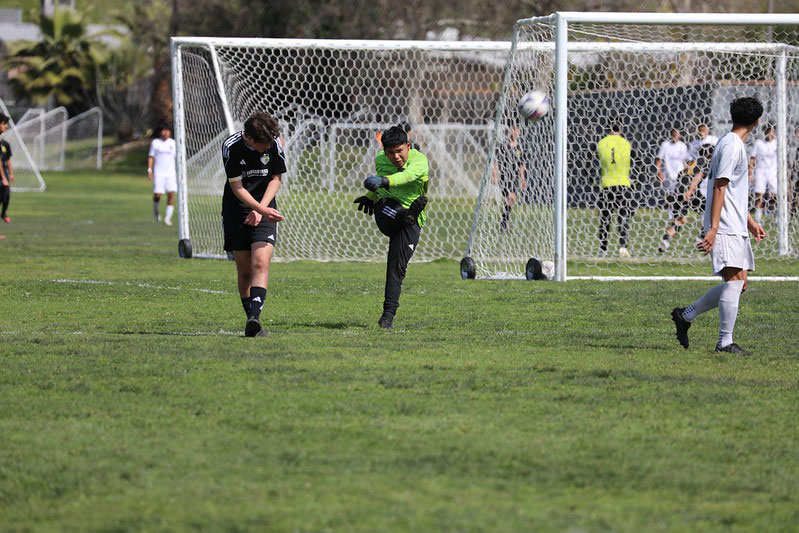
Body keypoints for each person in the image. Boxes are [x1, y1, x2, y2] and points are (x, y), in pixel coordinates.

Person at [671, 96, 766, 355]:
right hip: (724, 225)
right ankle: (725, 342)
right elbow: (719, 186)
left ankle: (686, 315)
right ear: (757, 121)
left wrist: (750, 222)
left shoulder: (730, 143)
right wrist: (713, 229)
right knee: (735, 282)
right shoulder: (732, 146)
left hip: (734, 223)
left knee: (740, 283)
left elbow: (733, 191)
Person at [353, 125, 428, 329]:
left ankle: (387, 317)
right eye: (391, 152)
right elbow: (382, 187)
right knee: (389, 206)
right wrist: (370, 196)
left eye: (400, 150)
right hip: (387, 212)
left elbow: (408, 176)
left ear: (408, 146)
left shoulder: (419, 160)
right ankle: (407, 214)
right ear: (384, 151)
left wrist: (384, 181)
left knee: (396, 269)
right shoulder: (380, 160)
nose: (396, 156)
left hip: (412, 222)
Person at [221, 112, 286, 337]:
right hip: (236, 211)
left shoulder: (274, 142)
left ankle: (255, 318)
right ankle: (250, 318)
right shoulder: (231, 146)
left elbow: (276, 178)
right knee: (245, 269)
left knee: (260, 262)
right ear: (248, 137)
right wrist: (258, 209)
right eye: (262, 145)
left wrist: (262, 210)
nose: (266, 148)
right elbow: (236, 187)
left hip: (265, 208)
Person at [658, 143, 714, 253]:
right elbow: (697, 177)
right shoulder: (705, 163)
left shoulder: (692, 162)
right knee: (711, 212)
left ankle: (666, 241)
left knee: (678, 220)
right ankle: (700, 238)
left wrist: (678, 192)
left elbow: (680, 174)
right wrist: (690, 191)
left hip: (679, 191)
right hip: (690, 192)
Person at [596, 123, 633, 257]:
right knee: (623, 217)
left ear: (608, 128)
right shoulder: (626, 143)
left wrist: (592, 180)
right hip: (623, 184)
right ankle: (623, 247)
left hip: (606, 185)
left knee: (605, 219)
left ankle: (603, 249)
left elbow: (590, 163)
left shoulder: (601, 143)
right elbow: (637, 161)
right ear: (621, 128)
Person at [494, 126, 525, 232]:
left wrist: (522, 178)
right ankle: (503, 224)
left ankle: (503, 223)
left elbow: (521, 165)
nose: (516, 132)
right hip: (505, 176)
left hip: (514, 177)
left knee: (511, 200)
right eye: (514, 130)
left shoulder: (519, 148)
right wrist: (495, 174)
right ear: (510, 132)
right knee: (510, 198)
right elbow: (496, 161)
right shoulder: (503, 146)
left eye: (517, 131)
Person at [655, 127, 689, 221]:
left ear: (680, 135)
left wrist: (685, 173)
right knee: (670, 195)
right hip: (668, 174)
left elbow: (684, 161)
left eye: (676, 133)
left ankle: (678, 215)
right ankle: (670, 214)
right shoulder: (665, 145)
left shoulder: (683, 146)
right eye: (673, 133)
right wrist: (659, 172)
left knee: (678, 195)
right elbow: (659, 159)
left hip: (679, 175)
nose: (674, 135)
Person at [147, 124, 177, 225]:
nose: (166, 133)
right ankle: (156, 211)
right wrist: (149, 170)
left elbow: (178, 159)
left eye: (167, 131)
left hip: (171, 173)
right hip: (159, 172)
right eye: (164, 131)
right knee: (157, 195)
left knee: (171, 194)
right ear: (160, 132)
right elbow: (151, 156)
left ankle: (167, 218)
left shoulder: (173, 143)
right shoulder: (155, 143)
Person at [748, 125, 778, 225]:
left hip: (773, 173)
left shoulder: (777, 144)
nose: (770, 135)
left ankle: (776, 215)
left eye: (772, 132)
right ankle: (758, 218)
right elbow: (752, 158)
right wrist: (750, 173)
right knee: (759, 194)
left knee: (776, 195)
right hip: (760, 172)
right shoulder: (759, 143)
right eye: (768, 132)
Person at [0, 114, 15, 224]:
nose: (6, 126)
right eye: (4, 123)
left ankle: (3, 213)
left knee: (6, 197)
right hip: (1, 175)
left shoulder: (5, 144)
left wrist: (11, 174)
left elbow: (7, 160)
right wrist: (4, 177)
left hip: (3, 173)